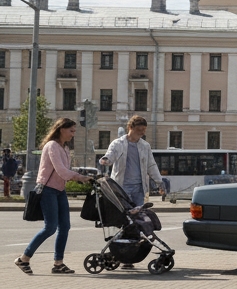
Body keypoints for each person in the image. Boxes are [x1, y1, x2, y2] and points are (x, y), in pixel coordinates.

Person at [15, 119, 91, 275]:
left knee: (65, 227)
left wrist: (80, 177)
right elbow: (62, 171)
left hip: (59, 190)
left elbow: (64, 172)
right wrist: (79, 177)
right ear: (61, 129)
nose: (73, 134)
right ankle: (23, 259)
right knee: (50, 227)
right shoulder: (52, 146)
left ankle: (58, 263)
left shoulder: (65, 148)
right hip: (47, 190)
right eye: (71, 130)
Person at [100, 116, 165, 268]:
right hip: (121, 188)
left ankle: (131, 254)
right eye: (139, 130)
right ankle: (122, 252)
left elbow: (151, 165)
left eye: (143, 130)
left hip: (139, 188)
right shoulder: (118, 143)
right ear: (131, 128)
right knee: (124, 220)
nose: (141, 133)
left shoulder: (145, 146)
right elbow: (110, 156)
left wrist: (159, 182)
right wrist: (105, 160)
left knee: (138, 221)